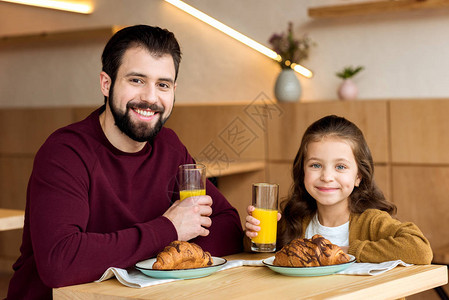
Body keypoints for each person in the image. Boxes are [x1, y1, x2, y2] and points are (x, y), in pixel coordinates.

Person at [7, 25, 243, 299]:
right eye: (136, 80)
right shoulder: (65, 152)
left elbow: (228, 226)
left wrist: (149, 246)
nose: (151, 98)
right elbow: (61, 263)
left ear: (174, 90)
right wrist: (168, 229)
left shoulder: (170, 147)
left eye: (162, 85)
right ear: (106, 83)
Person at [245, 115, 432, 264]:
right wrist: (253, 235)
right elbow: (254, 255)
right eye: (315, 165)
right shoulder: (294, 222)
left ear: (358, 176)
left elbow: (420, 249)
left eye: (340, 167)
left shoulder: (371, 222)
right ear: (302, 171)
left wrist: (341, 251)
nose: (326, 177)